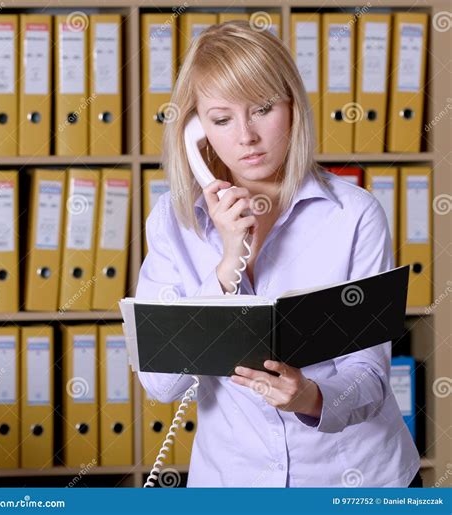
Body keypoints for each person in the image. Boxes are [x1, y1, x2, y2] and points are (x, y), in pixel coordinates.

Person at [135, 20, 422, 488]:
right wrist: (228, 264)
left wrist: (310, 397)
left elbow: (369, 372)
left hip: (354, 479)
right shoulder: (173, 220)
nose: (245, 136)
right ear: (196, 129)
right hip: (235, 481)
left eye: (263, 109)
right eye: (222, 119)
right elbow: (163, 385)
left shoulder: (353, 214)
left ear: (292, 107)